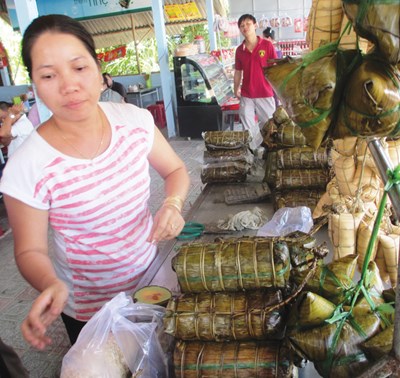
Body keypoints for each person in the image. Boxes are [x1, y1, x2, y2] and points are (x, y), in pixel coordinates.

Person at [0, 14, 190, 349]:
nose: (68, 85)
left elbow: (176, 171)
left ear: (99, 71)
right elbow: (29, 249)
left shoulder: (136, 122)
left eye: (79, 67)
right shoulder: (25, 165)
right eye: (48, 75)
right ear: (34, 83)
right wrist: (49, 283)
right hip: (88, 309)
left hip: (151, 280)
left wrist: (173, 204)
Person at [234, 14, 278, 151]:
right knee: (248, 128)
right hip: (247, 95)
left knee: (269, 126)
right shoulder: (239, 50)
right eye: (242, 25)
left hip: (265, 93)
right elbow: (238, 72)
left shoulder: (267, 45)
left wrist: (278, 89)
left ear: (255, 25)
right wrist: (236, 88)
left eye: (248, 23)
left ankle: (271, 153)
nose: (245, 27)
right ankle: (254, 154)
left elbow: (275, 68)